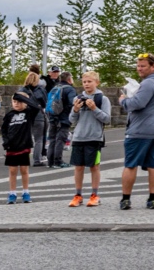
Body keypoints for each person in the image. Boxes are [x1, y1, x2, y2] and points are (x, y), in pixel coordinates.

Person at [118, 52, 154, 210]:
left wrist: (123, 101)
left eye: (143, 66)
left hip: (140, 130)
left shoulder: (148, 83)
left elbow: (137, 103)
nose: (139, 69)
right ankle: (153, 199)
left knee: (130, 164)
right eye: (138, 66)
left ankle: (125, 199)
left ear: (153, 67)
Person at [67, 71, 110, 206]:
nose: (86, 84)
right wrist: (75, 110)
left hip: (94, 138)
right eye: (84, 82)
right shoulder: (78, 98)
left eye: (89, 81)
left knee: (94, 166)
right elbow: (71, 120)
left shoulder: (102, 99)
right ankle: (78, 195)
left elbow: (107, 119)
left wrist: (95, 109)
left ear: (96, 82)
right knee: (78, 167)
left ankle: (94, 194)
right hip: (79, 137)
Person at [1, 90, 38, 203]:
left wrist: (24, 98)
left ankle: (25, 192)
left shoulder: (29, 113)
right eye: (14, 101)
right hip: (12, 146)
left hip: (24, 144)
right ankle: (12, 193)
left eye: (19, 101)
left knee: (23, 169)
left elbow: (36, 107)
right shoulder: (9, 115)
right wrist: (6, 141)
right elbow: (4, 130)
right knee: (12, 170)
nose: (16, 103)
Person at [46, 72, 74, 167]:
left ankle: (50, 161)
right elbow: (72, 103)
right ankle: (58, 161)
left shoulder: (55, 88)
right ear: (69, 79)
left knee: (52, 139)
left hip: (52, 117)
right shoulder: (69, 89)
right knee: (60, 140)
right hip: (63, 118)